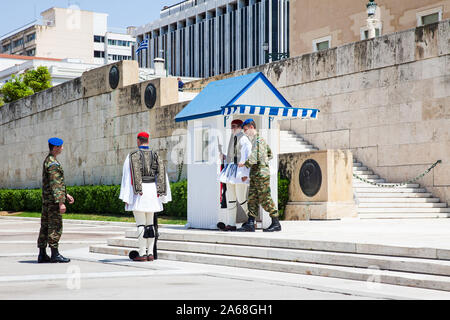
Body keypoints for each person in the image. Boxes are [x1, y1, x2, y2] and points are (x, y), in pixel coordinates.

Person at [119, 132, 172, 261]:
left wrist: (127, 196)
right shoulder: (156, 155)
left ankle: (142, 254)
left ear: (138, 141)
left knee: (141, 225)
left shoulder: (132, 156)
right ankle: (150, 254)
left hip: (140, 193)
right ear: (148, 140)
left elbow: (127, 177)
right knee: (150, 225)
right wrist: (162, 194)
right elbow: (162, 175)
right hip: (153, 192)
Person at [238, 119, 281, 232]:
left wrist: (245, 163)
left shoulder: (259, 140)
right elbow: (269, 153)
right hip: (255, 174)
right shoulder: (255, 142)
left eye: (246, 129)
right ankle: (251, 223)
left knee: (265, 198)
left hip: (261, 174)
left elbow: (256, 156)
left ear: (251, 127)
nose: (245, 132)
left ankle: (276, 223)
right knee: (252, 199)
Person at [37, 137, 74, 263]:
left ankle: (42, 254)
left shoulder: (48, 160)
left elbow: (53, 184)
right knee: (55, 226)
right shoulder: (53, 163)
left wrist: (65, 194)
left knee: (45, 226)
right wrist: (61, 203)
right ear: (56, 147)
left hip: (47, 200)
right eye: (61, 146)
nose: (62, 148)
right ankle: (55, 254)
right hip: (53, 202)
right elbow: (55, 184)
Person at [217, 119, 252, 231]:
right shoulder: (233, 138)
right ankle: (231, 224)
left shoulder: (244, 139)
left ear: (240, 127)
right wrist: (224, 156)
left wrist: (246, 173)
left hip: (240, 171)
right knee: (230, 198)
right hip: (231, 171)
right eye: (232, 126)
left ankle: (251, 221)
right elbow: (232, 156)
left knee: (241, 198)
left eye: (235, 126)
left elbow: (247, 157)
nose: (232, 129)